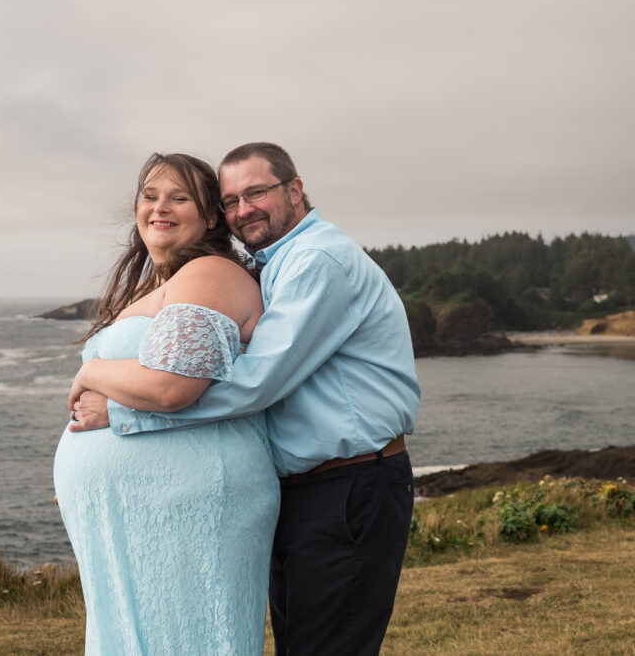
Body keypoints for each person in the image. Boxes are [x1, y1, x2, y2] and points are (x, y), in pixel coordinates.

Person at [69, 142, 421, 656]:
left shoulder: (317, 260)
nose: (243, 210)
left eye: (256, 193)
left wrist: (122, 412)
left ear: (295, 190)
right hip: (310, 488)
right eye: (231, 200)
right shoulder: (272, 266)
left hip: (349, 483)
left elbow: (257, 382)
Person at [53, 152, 280, 655]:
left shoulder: (210, 273)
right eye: (151, 196)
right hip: (143, 507)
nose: (161, 207)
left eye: (180, 198)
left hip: (189, 505)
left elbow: (170, 387)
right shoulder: (155, 287)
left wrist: (89, 371)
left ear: (212, 217)